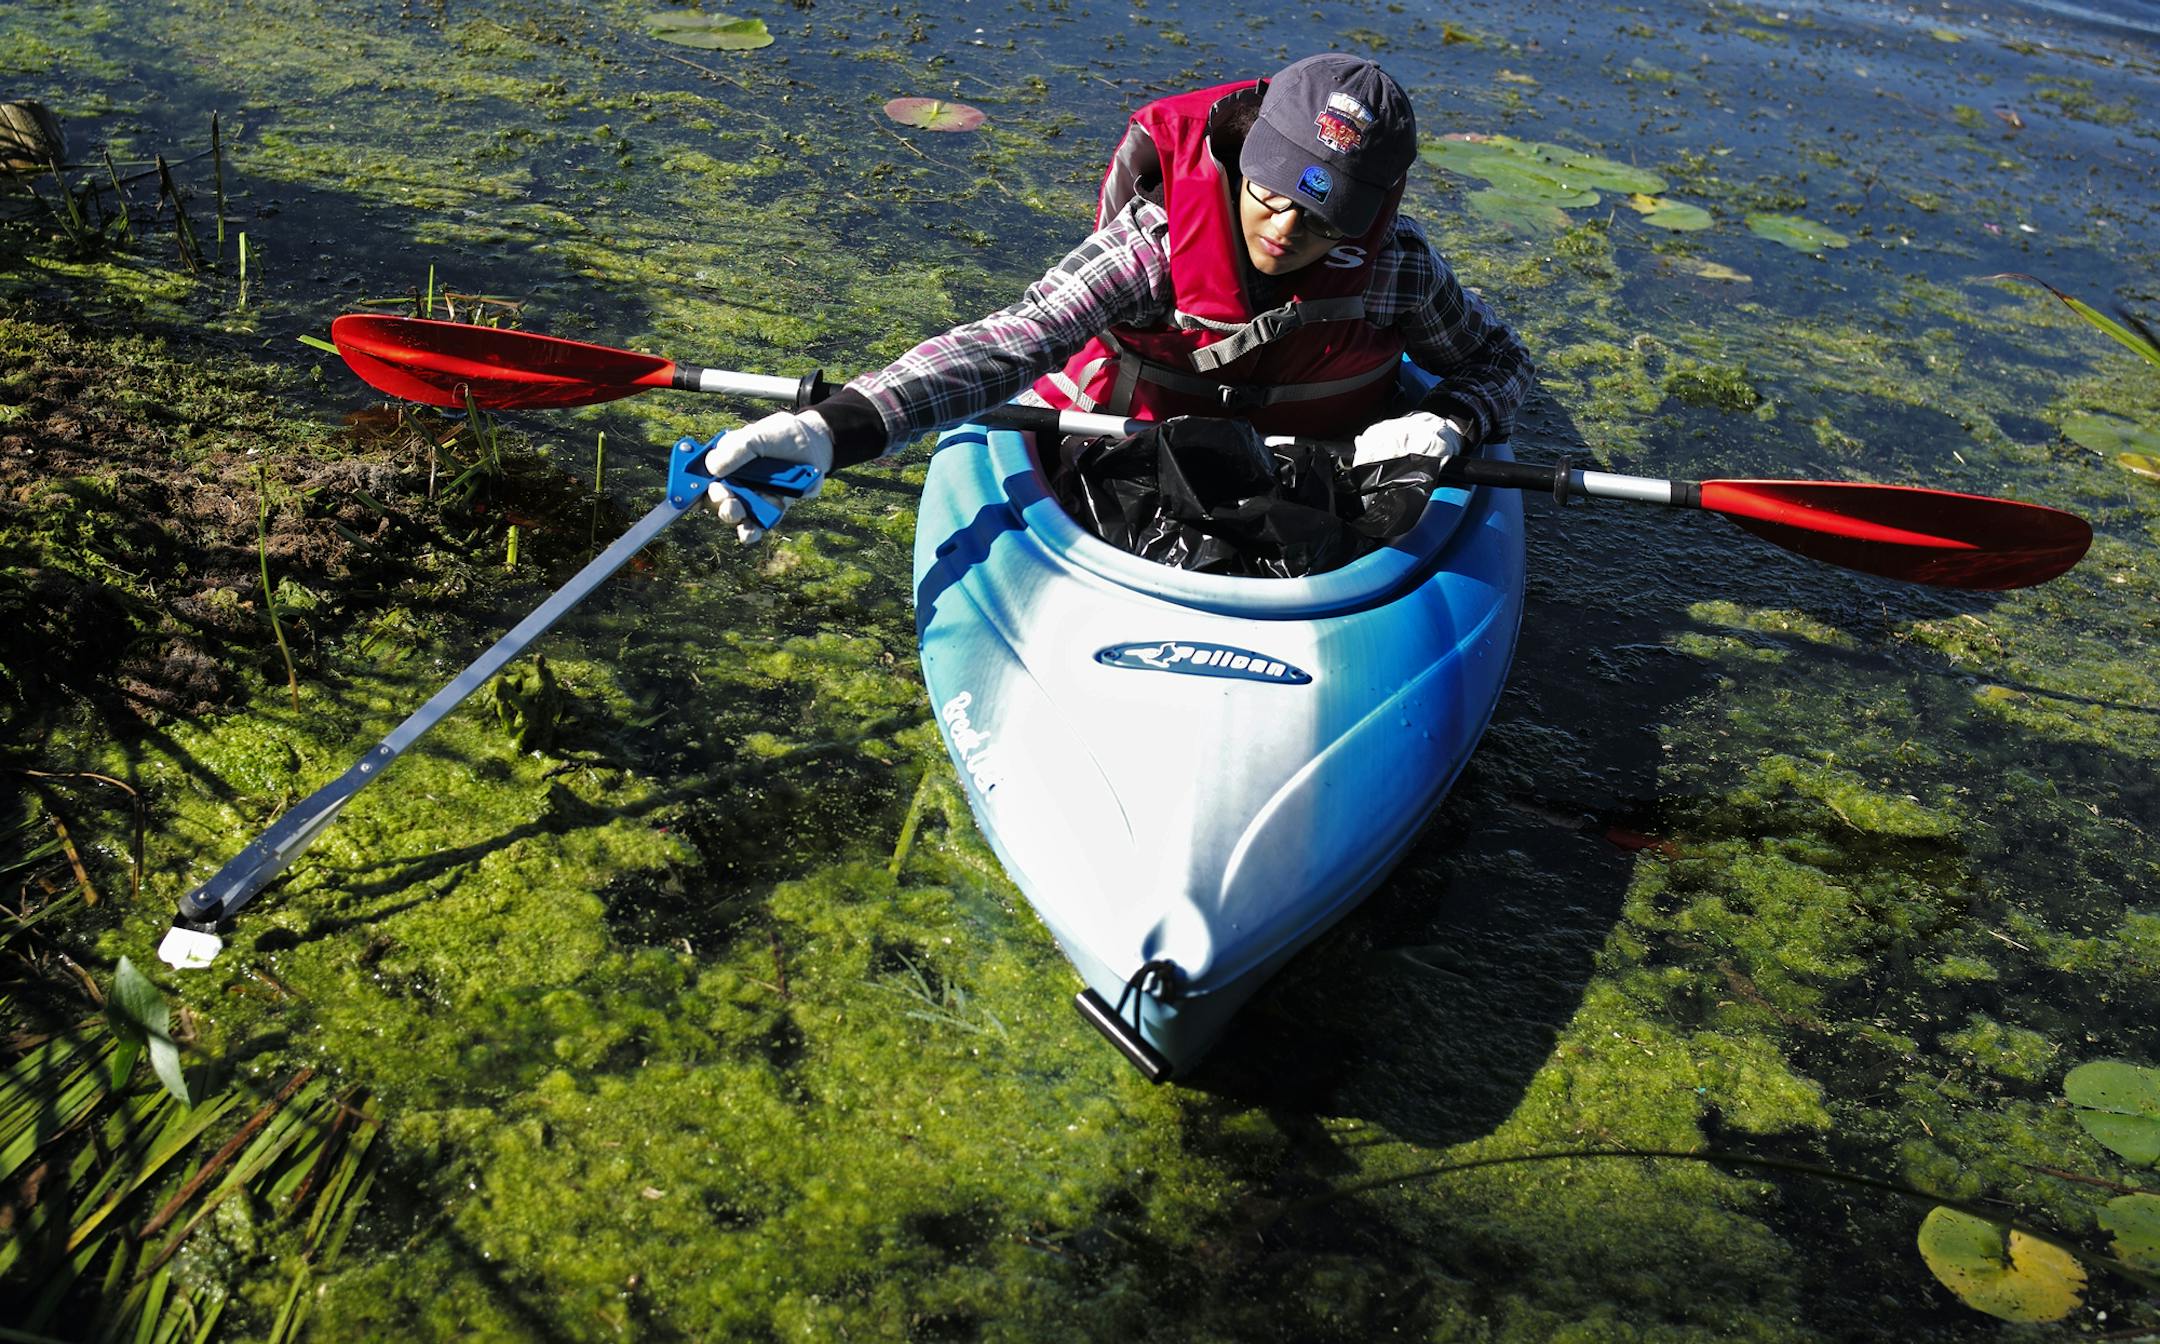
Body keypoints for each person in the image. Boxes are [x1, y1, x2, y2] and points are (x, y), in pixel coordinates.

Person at [706, 52, 1533, 544]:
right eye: (1270, 192)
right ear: (1244, 153)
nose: (1284, 228)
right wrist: (828, 430)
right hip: (1128, 455)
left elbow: (1500, 363)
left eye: (1320, 219)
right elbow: (1012, 342)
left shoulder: (1396, 270)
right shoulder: (1155, 247)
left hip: (1317, 475)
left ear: (1370, 214)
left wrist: (1449, 421)